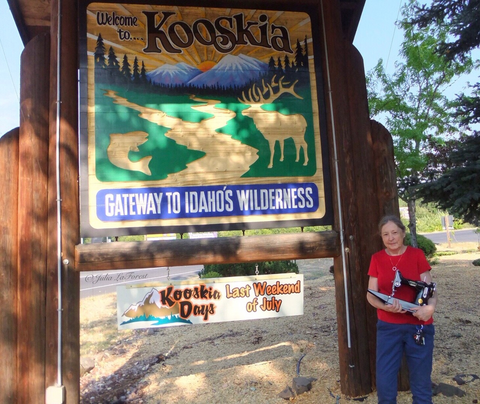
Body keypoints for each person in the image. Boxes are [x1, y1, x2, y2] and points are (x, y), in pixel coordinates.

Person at [367, 215, 437, 404]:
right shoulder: (377, 259)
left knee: (421, 382)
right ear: (381, 237)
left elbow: (430, 290)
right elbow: (371, 295)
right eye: (385, 234)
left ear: (403, 233)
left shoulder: (416, 255)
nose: (391, 238)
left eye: (394, 233)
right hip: (388, 327)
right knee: (385, 381)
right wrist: (386, 307)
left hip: (419, 326)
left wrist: (430, 308)